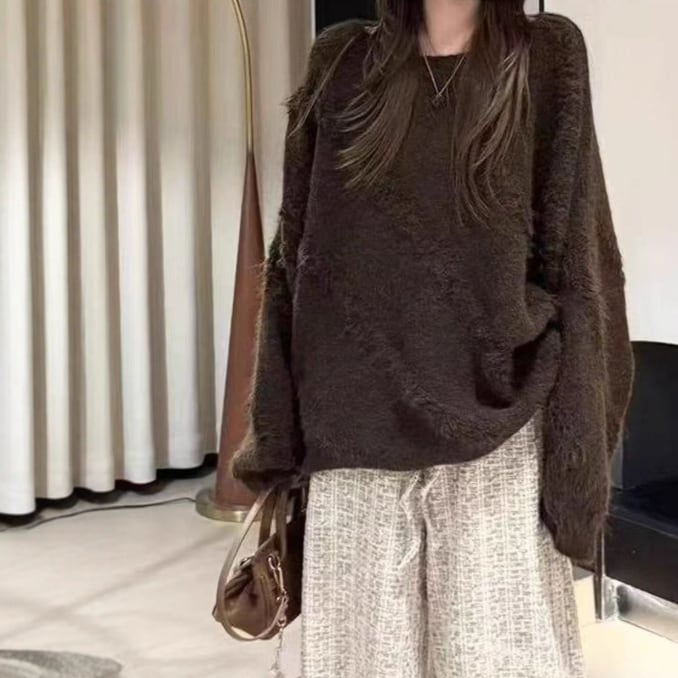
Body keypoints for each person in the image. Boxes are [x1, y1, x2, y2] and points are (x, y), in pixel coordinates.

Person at [231, 1, 634, 676]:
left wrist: (579, 468)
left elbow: (580, 266)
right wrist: (277, 441)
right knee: (359, 661)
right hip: (353, 436)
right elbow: (293, 261)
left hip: (496, 430)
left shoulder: (546, 58)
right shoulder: (342, 64)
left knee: (498, 658)